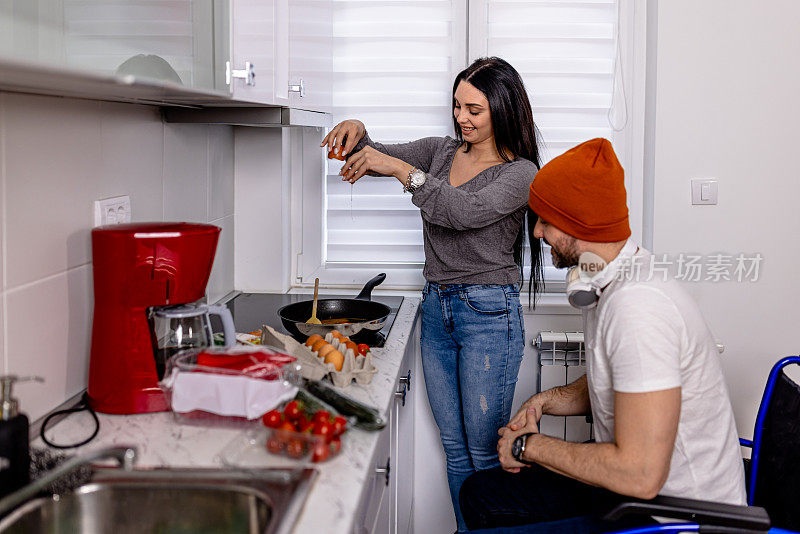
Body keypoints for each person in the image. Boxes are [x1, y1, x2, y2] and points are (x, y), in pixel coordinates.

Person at [459, 138, 746, 533]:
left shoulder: (638, 309)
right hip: (637, 496)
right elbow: (617, 379)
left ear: (579, 221)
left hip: (672, 517)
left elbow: (640, 474)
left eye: (545, 220)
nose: (538, 233)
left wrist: (529, 447)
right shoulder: (607, 278)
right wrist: (544, 402)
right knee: (481, 493)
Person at [321, 57, 544, 532]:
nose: (462, 117)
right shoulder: (442, 152)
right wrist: (358, 133)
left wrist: (402, 171)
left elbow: (460, 211)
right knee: (456, 448)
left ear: (503, 111)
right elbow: (374, 152)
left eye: (475, 110)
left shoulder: (520, 173)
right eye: (457, 105)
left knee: (486, 451)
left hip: (488, 314)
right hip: (438, 306)